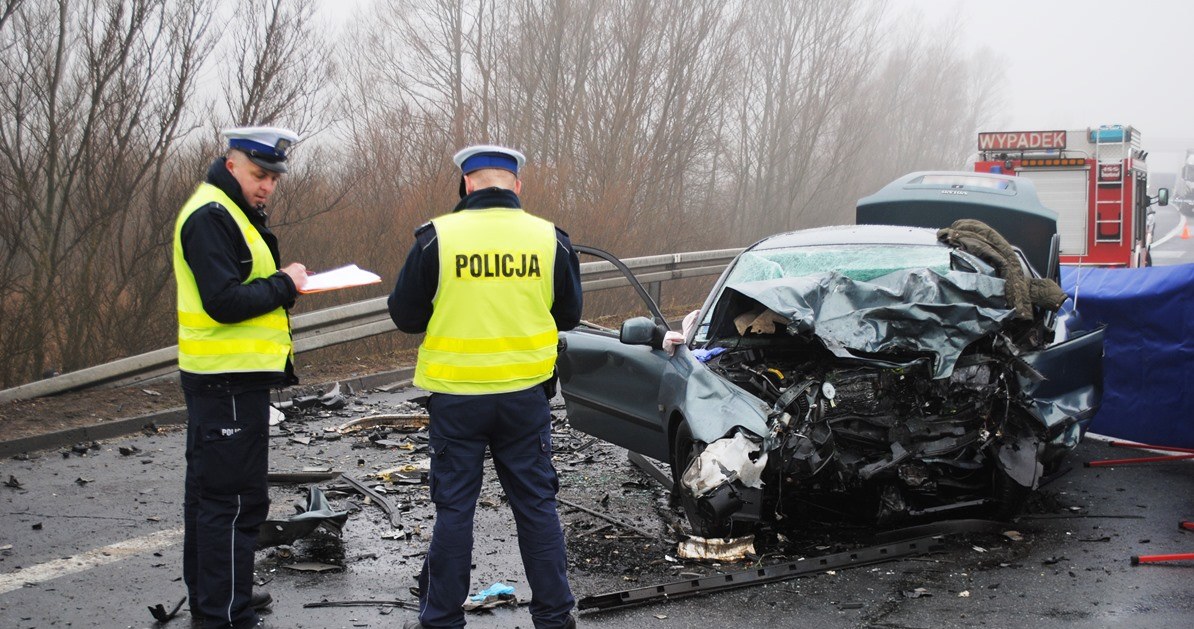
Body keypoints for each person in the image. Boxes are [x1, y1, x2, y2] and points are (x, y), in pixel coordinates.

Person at [388, 144, 583, 629]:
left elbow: (405, 315)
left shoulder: (437, 238)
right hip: (525, 397)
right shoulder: (549, 239)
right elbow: (569, 315)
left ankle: (441, 620)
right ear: (516, 186)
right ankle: (555, 618)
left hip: (456, 398)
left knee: (455, 511)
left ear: (467, 184)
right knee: (536, 508)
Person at [174, 126, 309, 629]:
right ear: (231, 164)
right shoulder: (211, 216)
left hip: (233, 379)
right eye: (259, 175)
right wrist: (285, 284)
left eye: (273, 178)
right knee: (231, 502)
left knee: (217, 497)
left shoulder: (227, 212)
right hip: (224, 381)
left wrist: (279, 284)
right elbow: (224, 301)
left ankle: (224, 598)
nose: (267, 186)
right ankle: (223, 614)